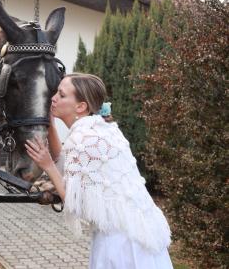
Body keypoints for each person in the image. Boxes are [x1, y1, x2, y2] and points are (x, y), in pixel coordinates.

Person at [25, 73, 173, 269]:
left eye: (61, 95)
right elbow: (67, 160)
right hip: (141, 235)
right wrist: (50, 123)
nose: (53, 98)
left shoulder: (84, 138)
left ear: (81, 106)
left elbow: (75, 203)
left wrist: (47, 166)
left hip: (120, 247)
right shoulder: (102, 129)